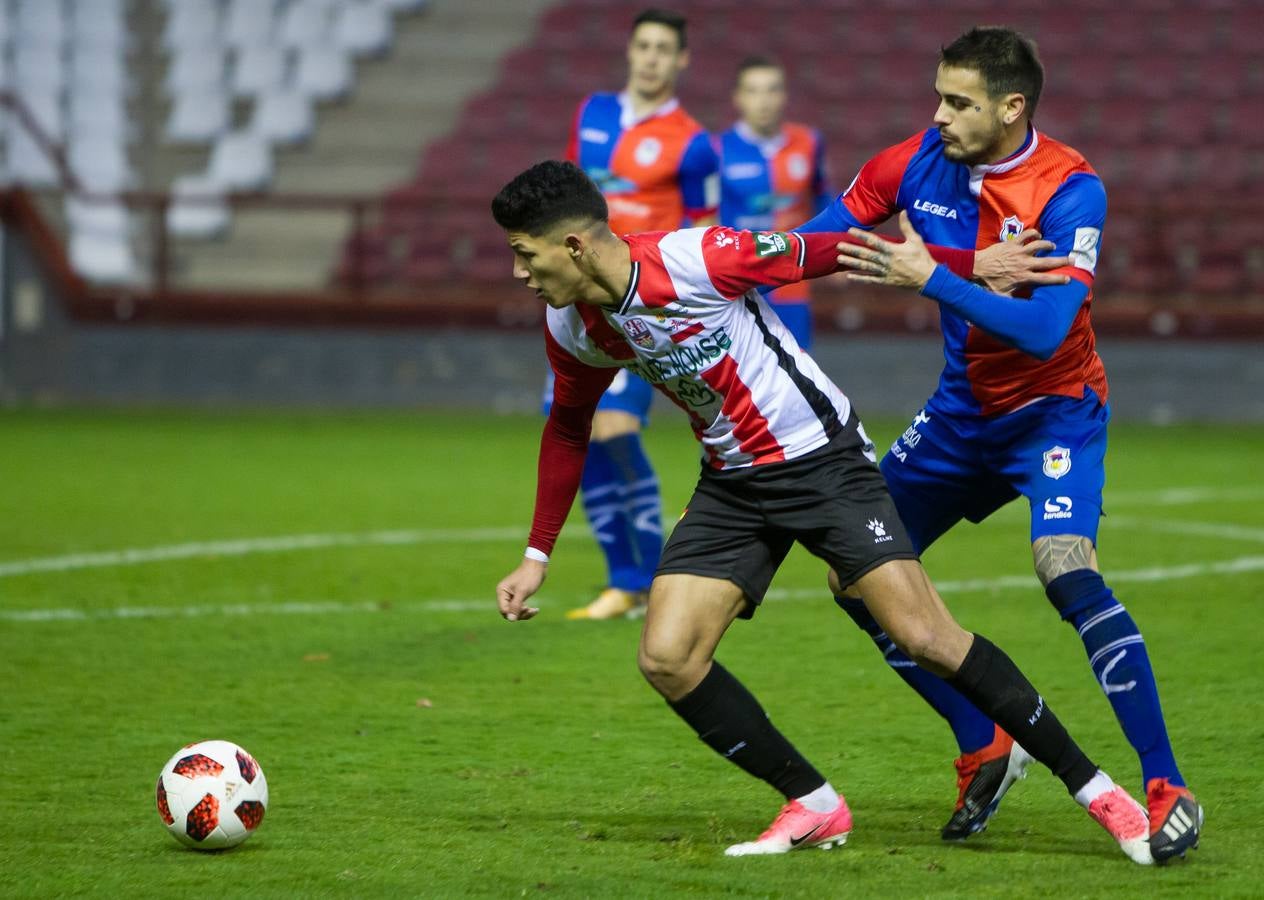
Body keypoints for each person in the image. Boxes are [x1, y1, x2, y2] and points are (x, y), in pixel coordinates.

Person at [491, 159, 1153, 863]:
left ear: (572, 246)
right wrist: (537, 556)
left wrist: (965, 263)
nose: (519, 274)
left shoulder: (697, 258)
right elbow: (567, 427)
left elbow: (831, 248)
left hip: (823, 463)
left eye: (522, 254)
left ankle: (1101, 793)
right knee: (668, 657)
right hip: (731, 484)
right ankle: (813, 804)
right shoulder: (573, 327)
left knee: (927, 636)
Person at [800, 26, 1202, 862]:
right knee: (852, 574)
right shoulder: (911, 161)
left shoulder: (1070, 189)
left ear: (1012, 106)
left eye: (959, 102)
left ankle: (1166, 784)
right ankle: (984, 739)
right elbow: (822, 242)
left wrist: (937, 277)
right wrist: (700, 265)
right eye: (938, 96)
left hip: (1054, 411)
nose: (938, 116)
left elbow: (1048, 326)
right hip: (958, 418)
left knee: (1065, 567)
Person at [553, 7, 720, 621]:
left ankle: (653, 572)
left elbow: (704, 228)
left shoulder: (695, 142)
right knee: (583, 434)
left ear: (681, 61)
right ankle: (624, 580)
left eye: (663, 50)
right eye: (642, 46)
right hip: (579, 302)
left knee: (616, 428)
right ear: (630, 51)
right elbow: (566, 199)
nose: (650, 58)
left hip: (640, 306)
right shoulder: (591, 113)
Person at [717, 55, 832, 349]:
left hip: (792, 280)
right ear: (738, 98)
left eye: (772, 90)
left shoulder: (809, 143)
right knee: (741, 374)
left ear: (784, 96)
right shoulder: (716, 150)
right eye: (753, 91)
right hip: (739, 280)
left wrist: (836, 247)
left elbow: (822, 196)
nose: (763, 101)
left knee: (797, 370)